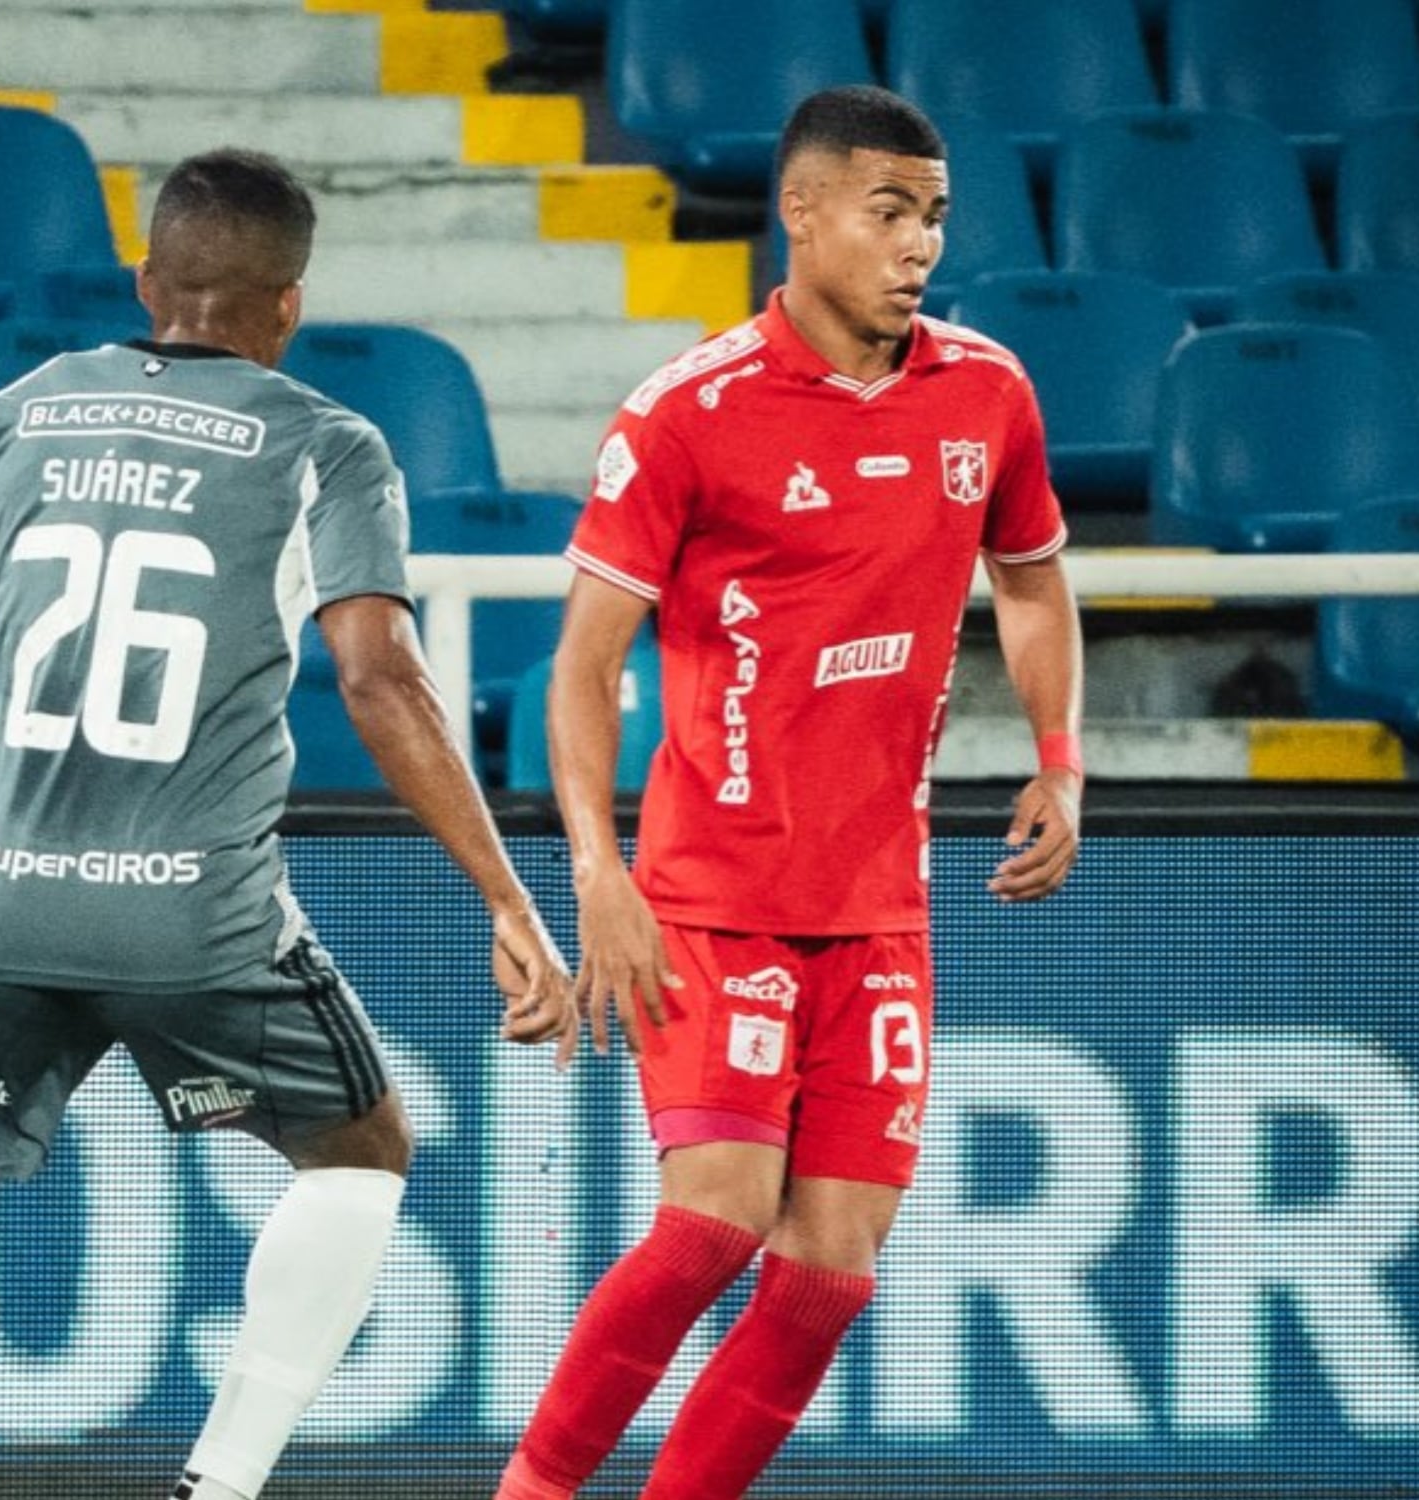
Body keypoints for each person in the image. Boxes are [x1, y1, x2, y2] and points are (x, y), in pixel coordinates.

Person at [0, 147, 574, 1500]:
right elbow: (378, 677)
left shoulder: (10, 414)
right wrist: (506, 897)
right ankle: (220, 1484)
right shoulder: (329, 443)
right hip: (196, 916)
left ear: (146, 280)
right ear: (290, 306)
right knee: (363, 1155)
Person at [494, 86, 1084, 1499]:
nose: (919, 244)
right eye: (889, 211)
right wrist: (598, 872)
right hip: (712, 895)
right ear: (801, 212)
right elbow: (581, 669)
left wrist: (1062, 757)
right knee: (712, 1228)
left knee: (827, 1276)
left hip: (881, 907)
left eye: (934, 215)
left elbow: (1035, 576)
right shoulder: (688, 414)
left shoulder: (987, 393)